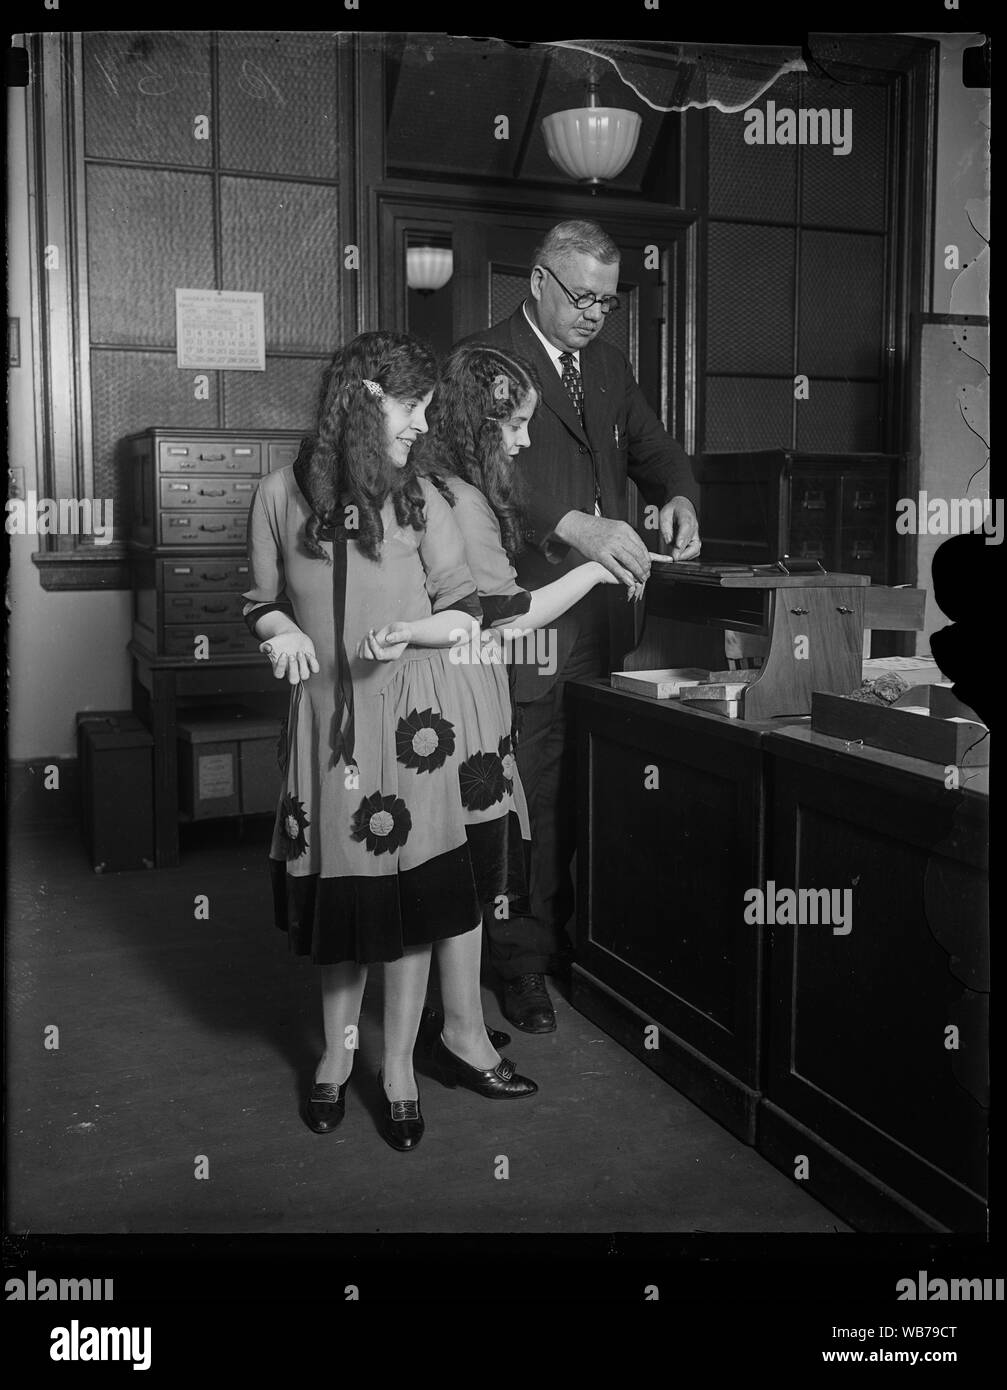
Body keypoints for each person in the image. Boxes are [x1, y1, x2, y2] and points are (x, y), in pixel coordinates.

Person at [243, 331, 536, 1154]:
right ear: (368, 401)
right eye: (411, 407)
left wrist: (413, 632)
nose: (421, 423)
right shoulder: (278, 494)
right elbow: (259, 599)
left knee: (409, 914)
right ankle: (335, 1065)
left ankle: (401, 1072)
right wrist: (276, 633)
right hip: (326, 736)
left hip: (413, 737)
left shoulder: (422, 500)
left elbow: (467, 609)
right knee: (346, 913)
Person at [462, 219, 702, 1033]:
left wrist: (676, 495)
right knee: (527, 792)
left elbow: (655, 450)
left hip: (606, 622)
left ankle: (583, 943)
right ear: (537, 280)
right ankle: (519, 964)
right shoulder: (485, 361)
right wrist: (576, 525)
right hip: (524, 618)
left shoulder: (606, 364)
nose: (595, 313)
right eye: (580, 296)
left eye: (608, 298)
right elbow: (484, 476)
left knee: (598, 787)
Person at [411, 343, 637, 1045]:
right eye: (512, 427)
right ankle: (463, 1016)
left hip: (427, 696)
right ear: (479, 426)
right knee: (482, 840)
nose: (526, 440)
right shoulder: (461, 496)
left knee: (449, 843)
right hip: (465, 691)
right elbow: (503, 613)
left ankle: (436, 1012)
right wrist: (596, 569)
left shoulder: (427, 480)